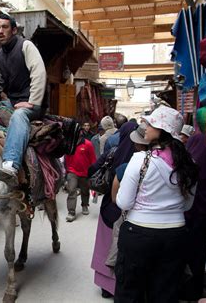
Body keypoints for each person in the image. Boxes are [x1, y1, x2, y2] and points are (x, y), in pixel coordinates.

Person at [114, 106, 198, 302]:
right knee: (165, 294)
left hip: (139, 234)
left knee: (130, 293)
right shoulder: (189, 164)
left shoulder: (140, 160)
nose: (146, 127)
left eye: (151, 123)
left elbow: (124, 202)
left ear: (161, 130)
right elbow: (187, 205)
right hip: (175, 236)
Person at [0, 14, 47, 188]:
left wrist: (32, 102)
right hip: (12, 102)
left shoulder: (26, 46)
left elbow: (38, 74)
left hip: (32, 104)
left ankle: (10, 165)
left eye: (5, 27)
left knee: (19, 116)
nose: (0, 31)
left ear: (14, 30)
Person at [89, 121, 138, 298]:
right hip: (132, 214)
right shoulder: (142, 158)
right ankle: (120, 287)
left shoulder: (113, 152)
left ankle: (105, 287)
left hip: (109, 209)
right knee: (123, 251)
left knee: (104, 246)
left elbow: (93, 169)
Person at [180, 134, 206, 301]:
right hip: (203, 217)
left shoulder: (188, 163)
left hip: (186, 216)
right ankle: (195, 291)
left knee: (182, 255)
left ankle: (181, 289)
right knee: (198, 256)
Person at [64, 132, 96, 222]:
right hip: (72, 171)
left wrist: (93, 172)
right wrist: (66, 171)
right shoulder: (69, 144)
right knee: (71, 190)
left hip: (85, 172)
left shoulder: (88, 144)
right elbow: (65, 158)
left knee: (85, 190)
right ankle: (71, 212)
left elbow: (93, 159)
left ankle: (85, 205)